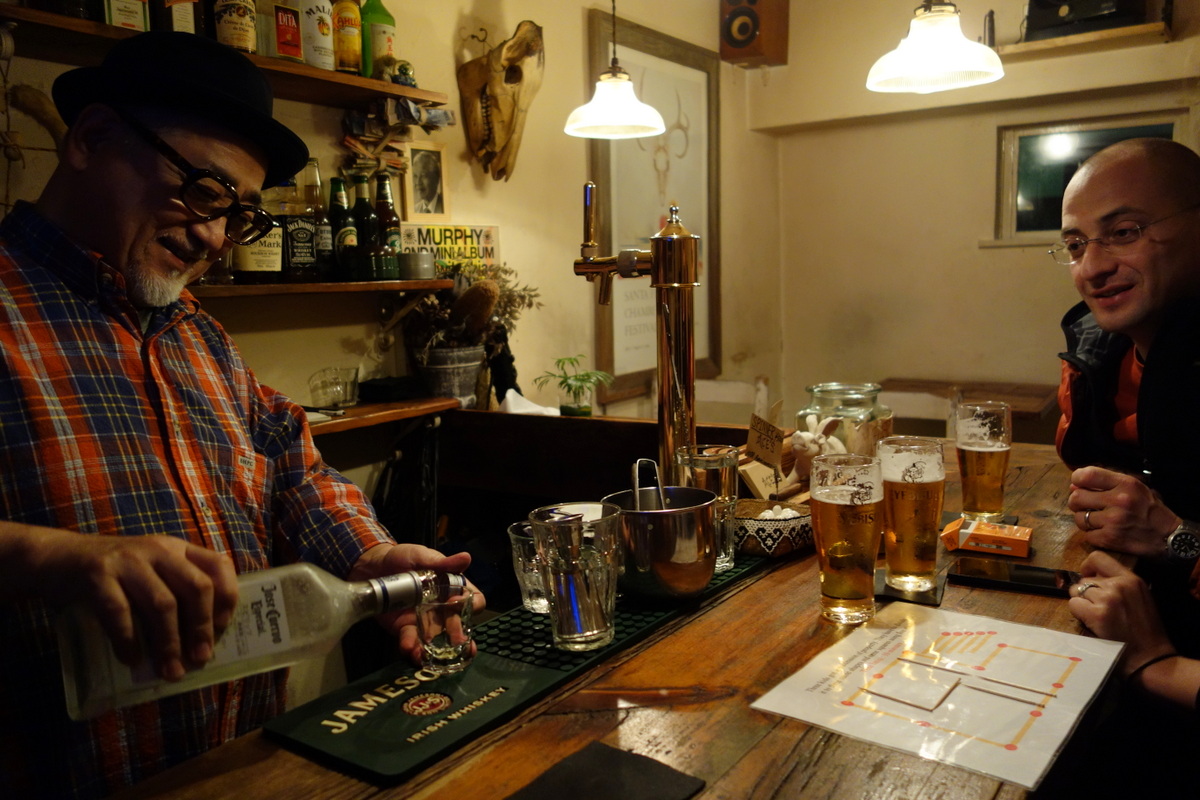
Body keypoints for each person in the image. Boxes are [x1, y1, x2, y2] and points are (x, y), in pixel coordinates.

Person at [0, 32, 482, 799]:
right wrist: (48, 558)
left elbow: (293, 472)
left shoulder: (199, 336)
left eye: (240, 214)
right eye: (202, 191)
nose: (215, 237)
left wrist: (370, 555)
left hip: (241, 774)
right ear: (91, 138)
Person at [1045, 137, 1200, 795]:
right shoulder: (1103, 354)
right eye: (1076, 244)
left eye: (1125, 232)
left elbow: (1174, 533)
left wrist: (1155, 663)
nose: (1093, 268)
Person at [412, 148, 443, 214]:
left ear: (436, 179)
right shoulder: (415, 210)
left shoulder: (444, 207)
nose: (418, 182)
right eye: (415, 176)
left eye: (423, 175)